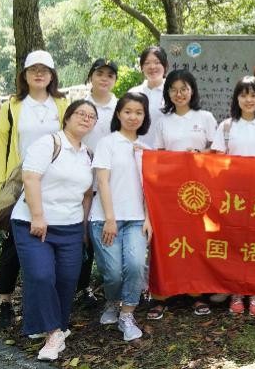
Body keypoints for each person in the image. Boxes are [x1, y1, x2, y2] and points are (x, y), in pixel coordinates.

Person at [10, 99, 97, 361]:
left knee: (67, 280)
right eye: (80, 113)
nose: (85, 118)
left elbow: (87, 195)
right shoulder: (49, 143)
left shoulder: (88, 154)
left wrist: (83, 229)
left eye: (91, 116)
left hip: (70, 226)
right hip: (34, 223)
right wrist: (38, 216)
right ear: (67, 117)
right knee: (41, 275)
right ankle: (53, 334)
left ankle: (50, 325)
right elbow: (30, 178)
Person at [0, 50, 68, 331]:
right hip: (19, 183)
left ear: (52, 75)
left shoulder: (61, 104)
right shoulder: (13, 105)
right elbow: (0, 146)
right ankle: (5, 301)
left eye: (44, 70)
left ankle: (43, 302)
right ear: (24, 75)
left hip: (53, 182)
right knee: (13, 243)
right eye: (33, 69)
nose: (39, 74)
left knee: (50, 239)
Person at [210, 76, 255, 317]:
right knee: (234, 241)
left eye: (253, 95)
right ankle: (236, 292)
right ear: (236, 98)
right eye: (243, 95)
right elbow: (217, 163)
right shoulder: (226, 127)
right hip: (233, 195)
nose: (248, 100)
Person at [149, 69, 217, 318]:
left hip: (199, 189)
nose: (179, 94)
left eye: (184, 89)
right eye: (174, 89)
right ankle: (162, 294)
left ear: (192, 91)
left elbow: (217, 151)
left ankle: (196, 293)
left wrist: (199, 156)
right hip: (169, 190)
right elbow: (157, 156)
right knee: (167, 238)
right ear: (168, 93)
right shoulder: (163, 122)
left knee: (197, 237)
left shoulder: (206, 117)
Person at [90, 92, 152, 341]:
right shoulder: (107, 143)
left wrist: (149, 218)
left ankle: (127, 314)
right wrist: (110, 218)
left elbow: (151, 189)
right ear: (118, 114)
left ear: (145, 116)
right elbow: (102, 182)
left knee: (135, 266)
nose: (133, 117)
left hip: (137, 219)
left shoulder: (146, 149)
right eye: (128, 111)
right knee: (113, 272)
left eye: (139, 112)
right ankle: (112, 302)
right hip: (105, 218)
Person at [78, 58, 119, 302]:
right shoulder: (80, 106)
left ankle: (107, 285)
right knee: (81, 232)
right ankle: (81, 286)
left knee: (104, 233)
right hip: (81, 180)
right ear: (91, 76)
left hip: (109, 182)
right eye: (99, 73)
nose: (104, 79)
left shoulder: (120, 106)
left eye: (110, 75)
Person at [129, 46, 168, 147]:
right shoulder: (133, 93)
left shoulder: (172, 93)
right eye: (147, 63)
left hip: (166, 152)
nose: (152, 67)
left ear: (165, 65)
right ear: (142, 67)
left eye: (157, 62)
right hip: (137, 150)